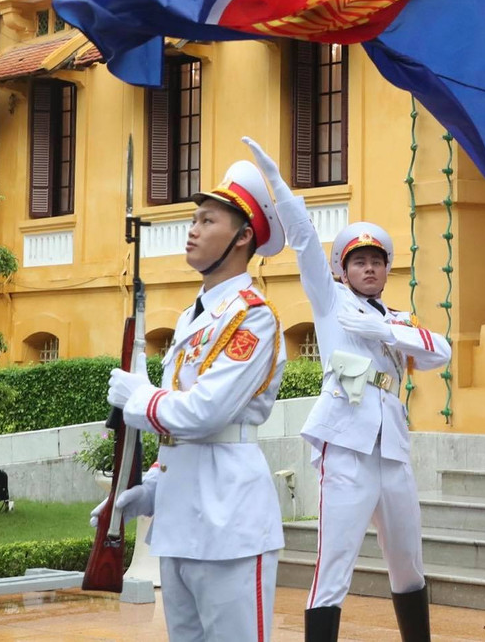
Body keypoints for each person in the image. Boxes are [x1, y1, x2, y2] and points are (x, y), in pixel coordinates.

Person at [242, 137, 450, 642]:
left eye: (377, 261)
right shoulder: (331, 301)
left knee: (409, 566)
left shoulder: (397, 318)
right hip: (347, 449)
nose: (370, 268)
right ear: (342, 270)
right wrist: (279, 187)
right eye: (359, 262)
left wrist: (390, 333)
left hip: (391, 451)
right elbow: (306, 241)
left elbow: (439, 351)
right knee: (332, 569)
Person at [97, 159, 288, 642]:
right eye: (194, 220)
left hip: (230, 519)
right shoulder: (192, 317)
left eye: (207, 221)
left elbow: (205, 414)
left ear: (242, 237)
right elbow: (180, 433)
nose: (193, 231)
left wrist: (139, 397)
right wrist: (151, 489)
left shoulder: (253, 318)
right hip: (182, 518)